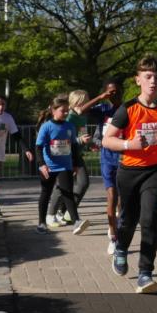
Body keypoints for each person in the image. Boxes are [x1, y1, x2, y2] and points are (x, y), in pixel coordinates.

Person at [101, 57, 157, 293]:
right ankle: (121, 249)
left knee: (150, 220)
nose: (153, 81)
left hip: (156, 171)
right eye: (148, 77)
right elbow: (107, 139)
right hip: (130, 171)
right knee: (128, 219)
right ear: (138, 79)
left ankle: (145, 273)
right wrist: (130, 144)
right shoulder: (128, 108)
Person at [34, 96, 88, 235]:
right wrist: (42, 164)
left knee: (67, 193)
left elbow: (74, 146)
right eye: (62, 111)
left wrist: (75, 164)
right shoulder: (46, 126)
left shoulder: (69, 126)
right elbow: (38, 147)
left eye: (67, 111)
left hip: (65, 166)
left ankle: (76, 221)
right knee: (46, 193)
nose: (65, 113)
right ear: (53, 110)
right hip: (49, 166)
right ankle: (41, 223)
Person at [52, 89, 97, 225]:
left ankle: (67, 212)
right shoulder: (70, 116)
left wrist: (89, 143)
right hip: (66, 155)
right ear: (72, 104)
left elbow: (80, 134)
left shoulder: (83, 117)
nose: (82, 107)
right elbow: (66, 138)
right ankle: (51, 213)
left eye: (84, 103)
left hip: (77, 154)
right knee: (62, 186)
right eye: (79, 104)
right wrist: (79, 140)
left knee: (83, 183)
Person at [89, 79, 123, 255]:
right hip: (107, 157)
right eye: (110, 92)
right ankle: (113, 236)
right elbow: (79, 111)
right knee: (111, 195)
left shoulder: (128, 108)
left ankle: (116, 228)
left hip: (125, 158)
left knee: (121, 200)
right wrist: (100, 97)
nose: (114, 95)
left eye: (116, 91)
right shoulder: (103, 109)